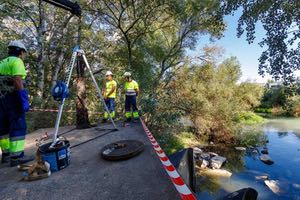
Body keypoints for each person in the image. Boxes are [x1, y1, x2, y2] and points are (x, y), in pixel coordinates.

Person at [0, 40, 33, 167]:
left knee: (3, 127)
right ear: (20, 51)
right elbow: (18, 80)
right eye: (23, 53)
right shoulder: (17, 61)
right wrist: (24, 99)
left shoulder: (1, 63)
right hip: (13, 98)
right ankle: (17, 157)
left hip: (1, 99)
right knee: (18, 125)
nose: (24, 56)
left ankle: (6, 155)